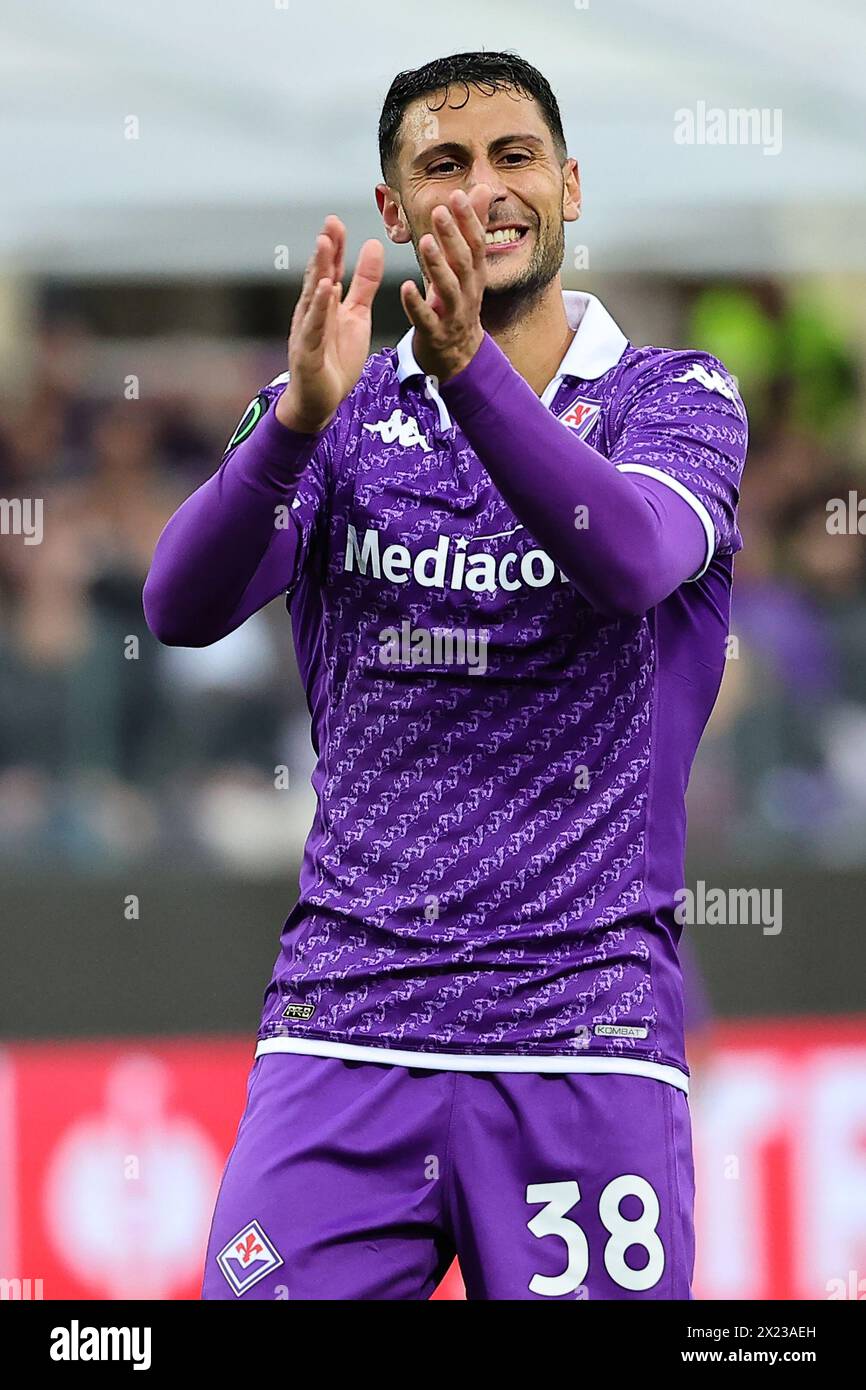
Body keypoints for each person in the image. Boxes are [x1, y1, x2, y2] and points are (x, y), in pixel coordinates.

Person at [143, 50, 747, 1300]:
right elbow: (179, 606)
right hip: (345, 1024)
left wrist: (467, 371)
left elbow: (627, 559)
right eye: (443, 164)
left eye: (514, 157)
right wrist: (288, 435)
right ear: (393, 210)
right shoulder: (336, 410)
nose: (483, 191)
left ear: (570, 185)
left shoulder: (674, 397)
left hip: (582, 1038)